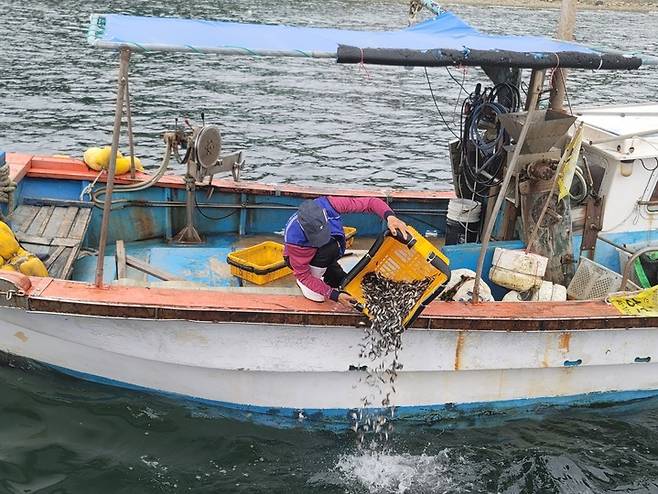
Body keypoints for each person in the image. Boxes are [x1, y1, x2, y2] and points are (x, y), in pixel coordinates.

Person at [283, 196, 409, 308]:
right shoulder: (294, 239)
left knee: (345, 283)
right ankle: (312, 279)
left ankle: (326, 269)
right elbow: (303, 275)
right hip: (302, 262)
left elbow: (370, 202)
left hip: (325, 254)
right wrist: (333, 295)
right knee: (321, 295)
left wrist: (390, 216)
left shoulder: (330, 204)